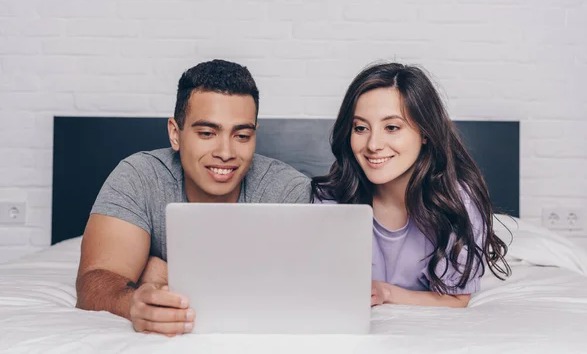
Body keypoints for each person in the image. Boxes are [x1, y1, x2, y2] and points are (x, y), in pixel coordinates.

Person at [76, 59, 312, 336]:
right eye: (207, 133)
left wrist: (160, 273)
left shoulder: (288, 190)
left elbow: (304, 288)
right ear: (176, 134)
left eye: (242, 135)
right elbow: (96, 280)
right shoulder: (138, 177)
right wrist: (132, 302)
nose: (225, 152)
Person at [311, 62, 511, 308]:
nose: (373, 144)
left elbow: (457, 299)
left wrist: (386, 293)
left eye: (392, 127)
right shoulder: (329, 198)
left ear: (425, 133)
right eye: (361, 128)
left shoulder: (458, 202)